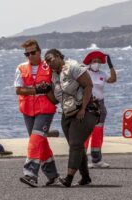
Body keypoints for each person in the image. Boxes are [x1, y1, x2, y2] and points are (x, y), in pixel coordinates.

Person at [44, 49, 99, 187]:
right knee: (77, 146)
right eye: (47, 62)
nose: (49, 63)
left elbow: (88, 85)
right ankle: (85, 177)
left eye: (50, 59)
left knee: (75, 144)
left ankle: (68, 178)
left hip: (85, 111)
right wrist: (45, 91)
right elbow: (55, 100)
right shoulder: (55, 76)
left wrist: (83, 109)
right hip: (67, 114)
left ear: (58, 56)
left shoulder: (73, 67)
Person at [15, 39, 59, 187]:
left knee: (35, 140)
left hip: (45, 110)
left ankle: (30, 175)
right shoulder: (21, 68)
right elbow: (18, 89)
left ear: (39, 52)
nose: (30, 56)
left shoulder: (49, 67)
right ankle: (53, 176)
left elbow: (58, 87)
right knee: (41, 142)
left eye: (33, 52)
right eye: (27, 54)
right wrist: (36, 90)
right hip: (27, 110)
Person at [82, 51, 117, 168]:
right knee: (86, 133)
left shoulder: (103, 73)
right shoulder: (84, 72)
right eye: (93, 61)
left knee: (98, 132)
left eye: (98, 61)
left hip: (100, 105)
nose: (96, 63)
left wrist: (111, 66)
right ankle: (83, 160)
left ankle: (97, 160)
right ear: (90, 63)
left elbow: (113, 79)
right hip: (87, 104)